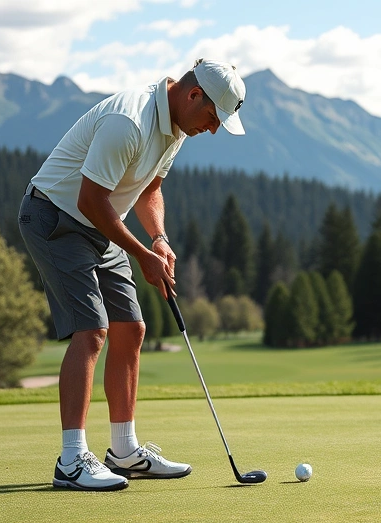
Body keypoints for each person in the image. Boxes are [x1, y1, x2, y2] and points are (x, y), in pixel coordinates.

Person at [18, 59, 247, 491]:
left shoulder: (177, 127)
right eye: (213, 118)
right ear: (193, 95)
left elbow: (150, 189)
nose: (213, 129)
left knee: (132, 328)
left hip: (100, 225)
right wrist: (141, 255)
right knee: (92, 330)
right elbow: (90, 199)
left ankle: (123, 451)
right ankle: (71, 460)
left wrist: (158, 239)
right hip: (54, 217)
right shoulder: (130, 120)